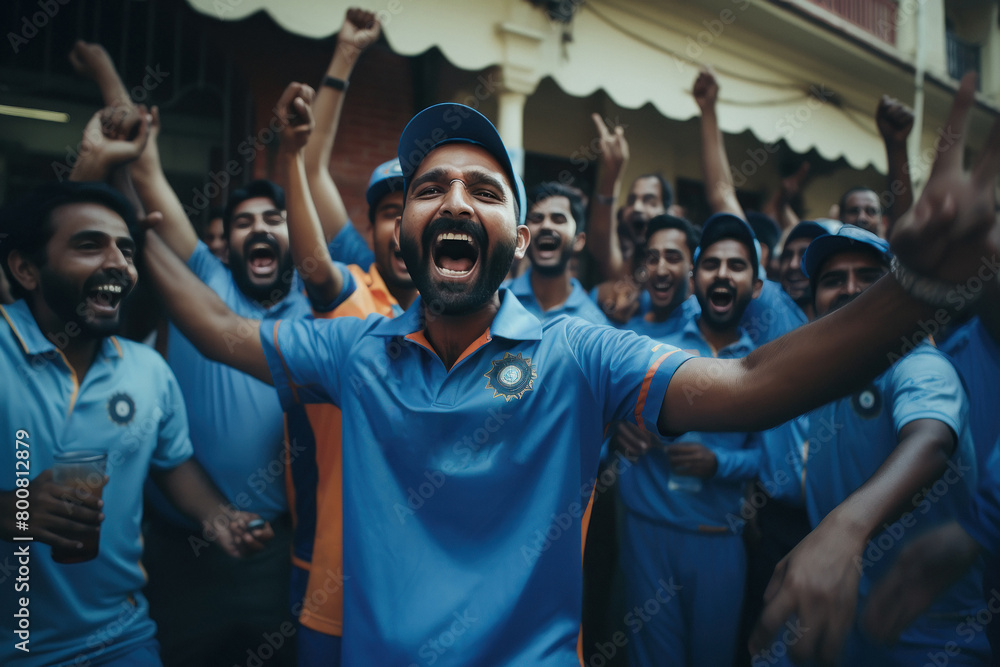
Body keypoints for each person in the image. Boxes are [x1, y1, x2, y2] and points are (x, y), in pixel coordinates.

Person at [142, 72, 999, 664]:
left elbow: (750, 386)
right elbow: (218, 325)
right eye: (433, 187)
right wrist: (124, 228)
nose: (454, 201)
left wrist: (916, 288)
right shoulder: (352, 347)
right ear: (400, 234)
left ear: (517, 241)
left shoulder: (577, 350)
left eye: (485, 190)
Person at [0, 176, 271, 667]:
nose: (117, 263)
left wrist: (218, 517)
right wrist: (11, 510)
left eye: (126, 250)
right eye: (89, 245)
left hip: (121, 639)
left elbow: (172, 464)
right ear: (25, 269)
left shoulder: (147, 370)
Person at [751, 225, 989, 665]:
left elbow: (931, 438)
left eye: (868, 276)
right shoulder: (824, 379)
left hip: (927, 636)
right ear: (814, 301)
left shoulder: (918, 362)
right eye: (832, 279)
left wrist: (847, 529)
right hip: (838, 624)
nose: (850, 289)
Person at [272, 75, 416, 666]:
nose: (404, 226)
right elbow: (313, 263)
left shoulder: (468, 325)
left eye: (416, 209)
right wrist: (292, 154)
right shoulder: (351, 294)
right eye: (388, 213)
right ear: (372, 231)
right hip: (329, 562)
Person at [617, 212, 764, 666]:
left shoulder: (766, 363)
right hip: (648, 529)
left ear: (756, 288)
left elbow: (772, 462)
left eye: (737, 267)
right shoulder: (649, 342)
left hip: (719, 539)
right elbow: (598, 413)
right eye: (711, 266)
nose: (722, 276)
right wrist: (617, 429)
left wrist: (718, 463)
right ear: (695, 280)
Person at [505, 182, 608, 324]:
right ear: (523, 237)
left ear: (578, 241)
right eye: (537, 219)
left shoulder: (595, 323)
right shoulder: (496, 300)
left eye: (558, 219)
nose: (546, 225)